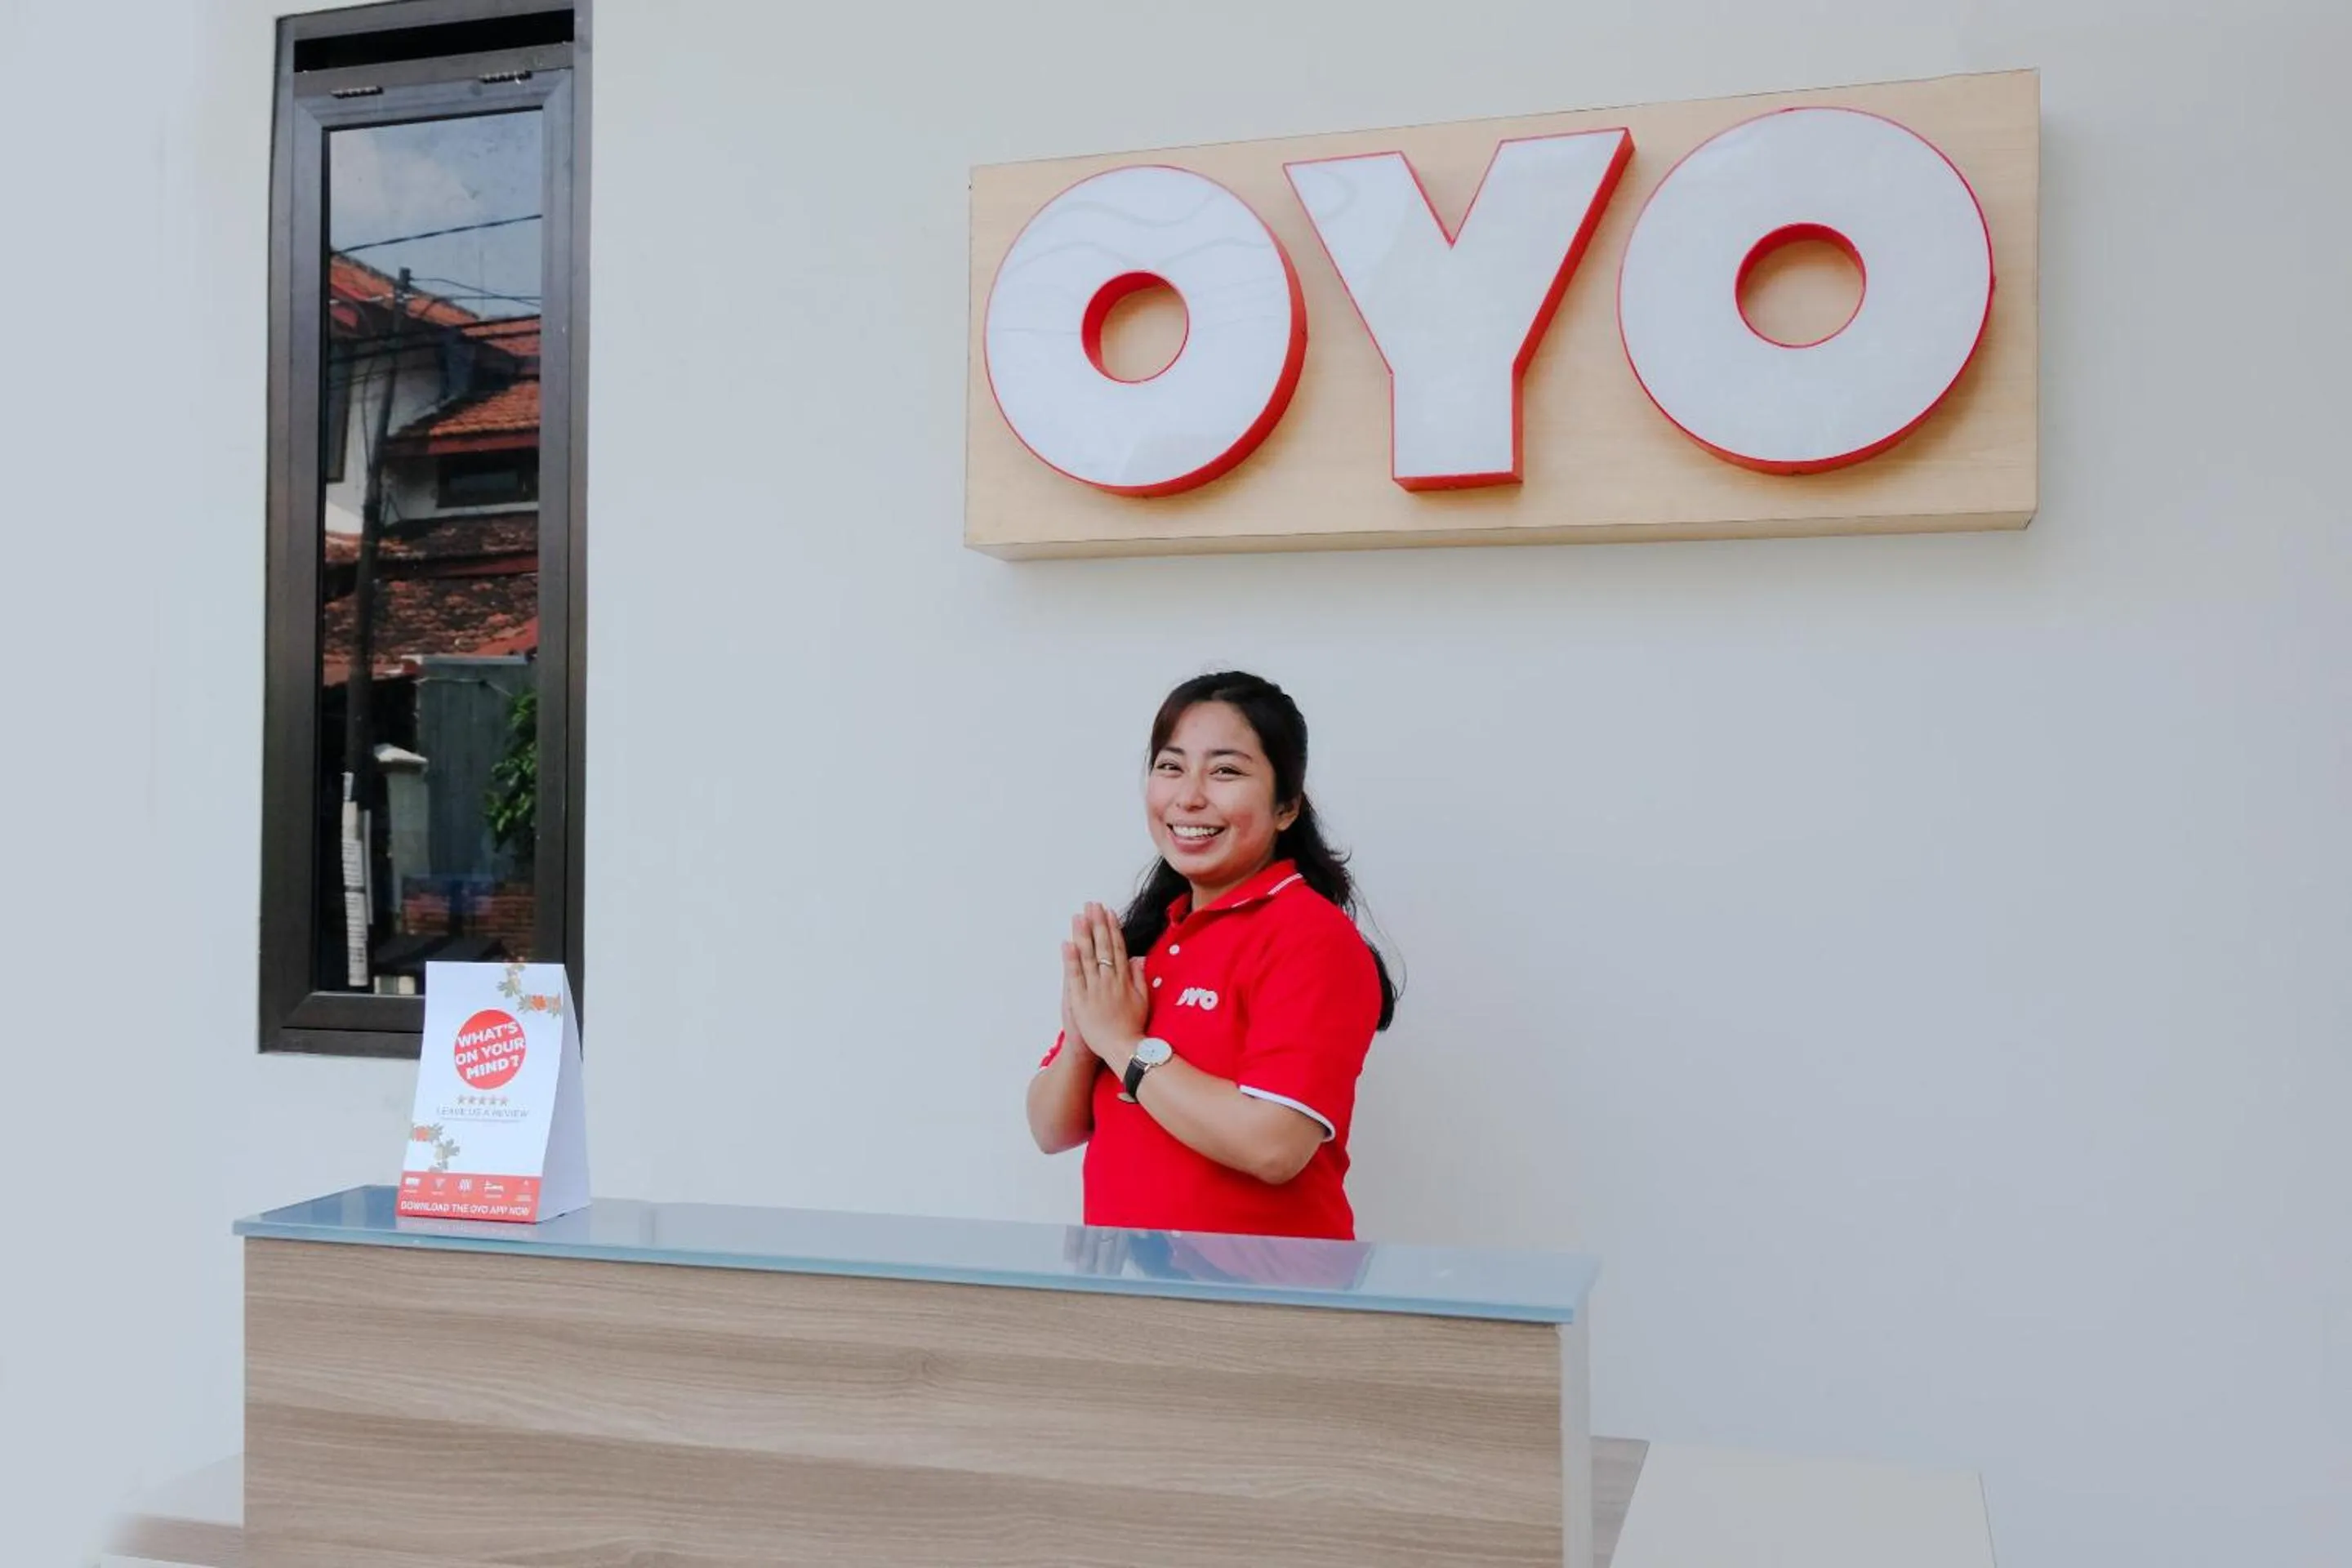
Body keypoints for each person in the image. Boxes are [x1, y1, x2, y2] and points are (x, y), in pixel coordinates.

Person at [1027, 670, 1399, 1241]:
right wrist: (1086, 1039)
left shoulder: (1309, 937)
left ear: (1286, 807)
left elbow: (1273, 1146)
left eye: (1226, 771)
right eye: (1170, 766)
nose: (1189, 796)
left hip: (1266, 1309)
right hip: (1129, 1302)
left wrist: (1124, 1044)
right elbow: (1050, 1128)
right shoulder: (1149, 936)